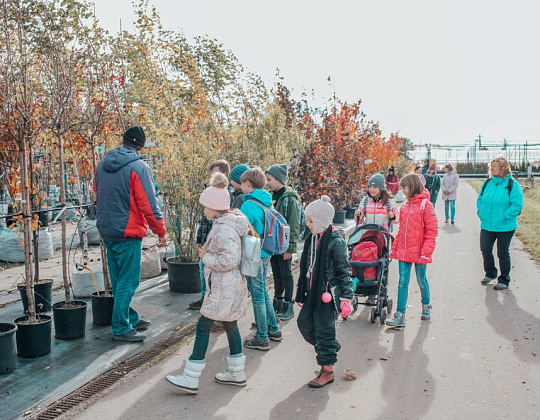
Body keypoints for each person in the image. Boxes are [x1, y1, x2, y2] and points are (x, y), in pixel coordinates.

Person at [166, 173, 249, 393]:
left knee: (203, 327)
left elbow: (229, 260)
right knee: (231, 326)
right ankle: (236, 372)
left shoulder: (222, 228)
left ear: (215, 207)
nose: (203, 210)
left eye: (205, 207)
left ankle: (191, 377)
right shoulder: (228, 223)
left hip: (223, 288)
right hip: (229, 287)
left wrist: (205, 257)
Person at [94, 126, 166, 342]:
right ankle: (121, 327)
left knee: (118, 279)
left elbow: (97, 191)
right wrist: (160, 231)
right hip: (128, 231)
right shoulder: (139, 167)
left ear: (122, 140)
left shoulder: (102, 164)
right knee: (129, 280)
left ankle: (129, 317)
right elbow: (148, 204)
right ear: (141, 147)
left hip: (107, 228)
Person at [296, 195, 353, 388]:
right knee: (304, 324)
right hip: (313, 292)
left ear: (321, 220)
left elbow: (344, 270)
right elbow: (307, 266)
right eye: (307, 220)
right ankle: (329, 348)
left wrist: (346, 297)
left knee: (324, 331)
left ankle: (327, 370)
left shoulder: (335, 241)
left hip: (326, 294)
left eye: (311, 221)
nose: (308, 224)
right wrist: (302, 289)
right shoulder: (313, 237)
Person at [386, 174, 438, 327]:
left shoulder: (426, 205)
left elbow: (432, 231)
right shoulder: (405, 206)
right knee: (402, 282)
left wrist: (426, 253)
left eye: (405, 188)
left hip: (420, 252)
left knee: (421, 281)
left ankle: (426, 305)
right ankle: (400, 314)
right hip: (404, 251)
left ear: (413, 186)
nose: (403, 191)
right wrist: (394, 248)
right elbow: (402, 230)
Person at [240, 167, 282, 350]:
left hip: (253, 253)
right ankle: (273, 329)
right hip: (266, 252)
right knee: (262, 291)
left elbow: (242, 230)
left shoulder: (248, 204)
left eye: (242, 183)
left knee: (257, 295)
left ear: (248, 184)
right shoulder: (267, 202)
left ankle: (262, 337)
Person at [189, 160, 233, 312]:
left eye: (215, 173)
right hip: (207, 242)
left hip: (214, 246)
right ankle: (205, 298)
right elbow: (204, 222)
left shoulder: (224, 197)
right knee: (204, 272)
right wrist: (200, 240)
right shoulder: (211, 195)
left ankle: (210, 302)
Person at [477, 157, 523, 290]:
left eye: (495, 166)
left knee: (502, 252)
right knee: (485, 249)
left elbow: (517, 205)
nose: (492, 169)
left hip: (505, 226)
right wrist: (481, 213)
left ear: (503, 167)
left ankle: (504, 279)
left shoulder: (512, 184)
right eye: (491, 166)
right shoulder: (488, 183)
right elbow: (480, 199)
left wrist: (505, 216)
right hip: (487, 225)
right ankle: (490, 273)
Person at [354, 173, 398, 305]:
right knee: (365, 262)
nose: (371, 189)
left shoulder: (389, 201)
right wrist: (358, 214)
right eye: (370, 187)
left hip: (381, 237)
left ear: (381, 187)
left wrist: (392, 216)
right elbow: (359, 217)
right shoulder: (366, 200)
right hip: (367, 235)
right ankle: (367, 290)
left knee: (380, 264)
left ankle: (381, 292)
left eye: (374, 187)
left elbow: (397, 219)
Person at [265, 164, 301, 321]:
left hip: (284, 244)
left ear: (279, 179)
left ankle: (288, 305)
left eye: (269, 179)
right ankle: (277, 303)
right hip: (273, 243)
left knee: (286, 274)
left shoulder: (289, 198)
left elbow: (294, 224)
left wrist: (290, 247)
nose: (267, 183)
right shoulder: (270, 196)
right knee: (277, 274)